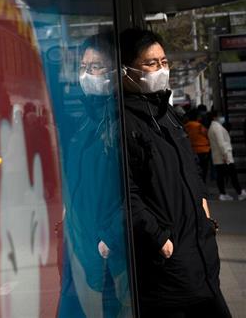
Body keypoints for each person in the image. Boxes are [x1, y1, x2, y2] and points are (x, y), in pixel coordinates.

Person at [119, 28, 231, 317]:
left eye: (164, 61)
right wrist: (160, 240)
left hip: (200, 255)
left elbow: (191, 167)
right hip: (167, 268)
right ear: (125, 70)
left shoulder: (167, 114)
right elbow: (124, 192)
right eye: (150, 63)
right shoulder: (122, 122)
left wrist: (204, 210)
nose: (161, 69)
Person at [58, 32, 130, 318]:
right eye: (83, 67)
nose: (87, 74)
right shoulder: (87, 122)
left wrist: (109, 239)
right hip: (82, 252)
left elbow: (137, 191)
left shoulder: (121, 122)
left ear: (116, 71)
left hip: (111, 259)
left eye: (96, 66)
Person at [207, 110, 246, 201]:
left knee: (221, 175)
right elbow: (221, 143)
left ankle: (224, 193)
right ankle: (239, 193)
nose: (222, 118)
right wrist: (225, 156)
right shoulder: (217, 127)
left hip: (219, 157)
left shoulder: (212, 127)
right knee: (232, 175)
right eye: (220, 116)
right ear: (215, 117)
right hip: (224, 157)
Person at [184, 109, 211, 182]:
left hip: (192, 150)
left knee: (196, 168)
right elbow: (207, 136)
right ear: (197, 117)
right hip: (203, 150)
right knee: (204, 168)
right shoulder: (200, 126)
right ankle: (203, 182)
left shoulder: (186, 126)